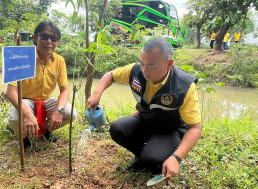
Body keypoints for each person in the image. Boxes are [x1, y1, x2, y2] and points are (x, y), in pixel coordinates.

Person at [86, 38, 202, 178]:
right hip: (146, 119)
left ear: (169, 64)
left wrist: (176, 157)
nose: (145, 71)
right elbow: (110, 76)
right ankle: (142, 156)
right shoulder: (135, 71)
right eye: (142, 64)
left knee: (153, 161)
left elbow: (195, 128)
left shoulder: (183, 86)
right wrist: (96, 94)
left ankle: (158, 157)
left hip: (170, 129)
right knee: (117, 129)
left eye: (151, 66)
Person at [6, 20, 77, 149]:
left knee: (70, 112)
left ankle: (46, 129)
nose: (49, 41)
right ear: (35, 37)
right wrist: (28, 115)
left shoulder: (59, 60)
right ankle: (23, 136)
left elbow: (65, 90)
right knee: (16, 119)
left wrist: (59, 111)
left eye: (53, 38)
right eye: (44, 36)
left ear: (58, 42)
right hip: (25, 100)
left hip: (46, 100)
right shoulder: (21, 57)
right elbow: (11, 92)